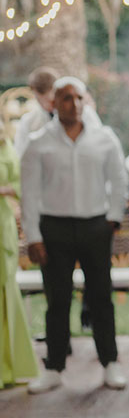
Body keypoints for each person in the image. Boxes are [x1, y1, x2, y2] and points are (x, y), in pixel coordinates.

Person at [21, 77, 128, 394]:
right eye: (66, 98)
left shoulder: (104, 138)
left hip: (95, 226)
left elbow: (119, 180)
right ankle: (53, 367)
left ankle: (110, 363)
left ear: (86, 100)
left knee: (100, 298)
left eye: (79, 98)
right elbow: (29, 194)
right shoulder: (38, 142)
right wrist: (33, 236)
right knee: (57, 300)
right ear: (53, 103)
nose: (74, 104)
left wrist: (112, 219)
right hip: (53, 229)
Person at [1, 121, 38, 388]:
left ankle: (9, 367)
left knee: (5, 295)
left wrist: (4, 189)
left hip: (2, 231)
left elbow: (23, 183)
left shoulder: (6, 149)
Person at [14, 66, 59, 157]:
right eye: (41, 100)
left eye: (51, 101)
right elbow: (20, 154)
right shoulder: (29, 121)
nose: (47, 105)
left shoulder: (78, 116)